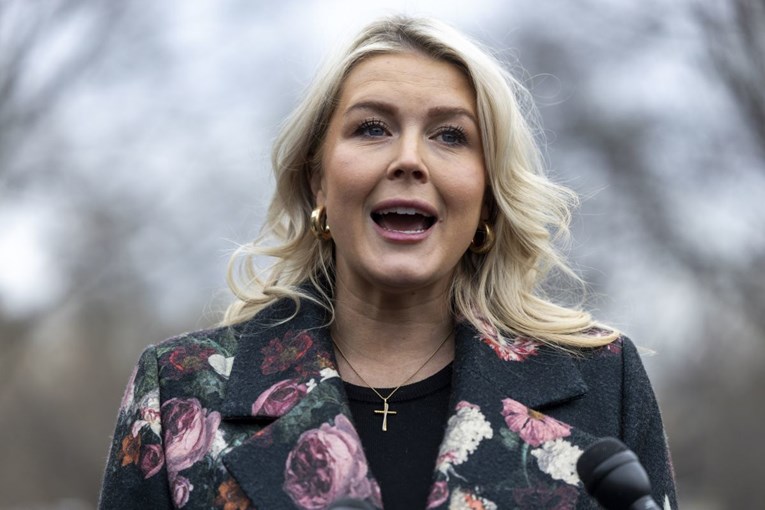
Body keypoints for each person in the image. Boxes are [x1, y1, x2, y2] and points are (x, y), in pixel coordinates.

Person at [99, 15, 677, 510]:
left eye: (450, 136)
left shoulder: (604, 381)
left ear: (487, 196)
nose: (409, 159)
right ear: (318, 181)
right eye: (372, 128)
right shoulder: (178, 390)